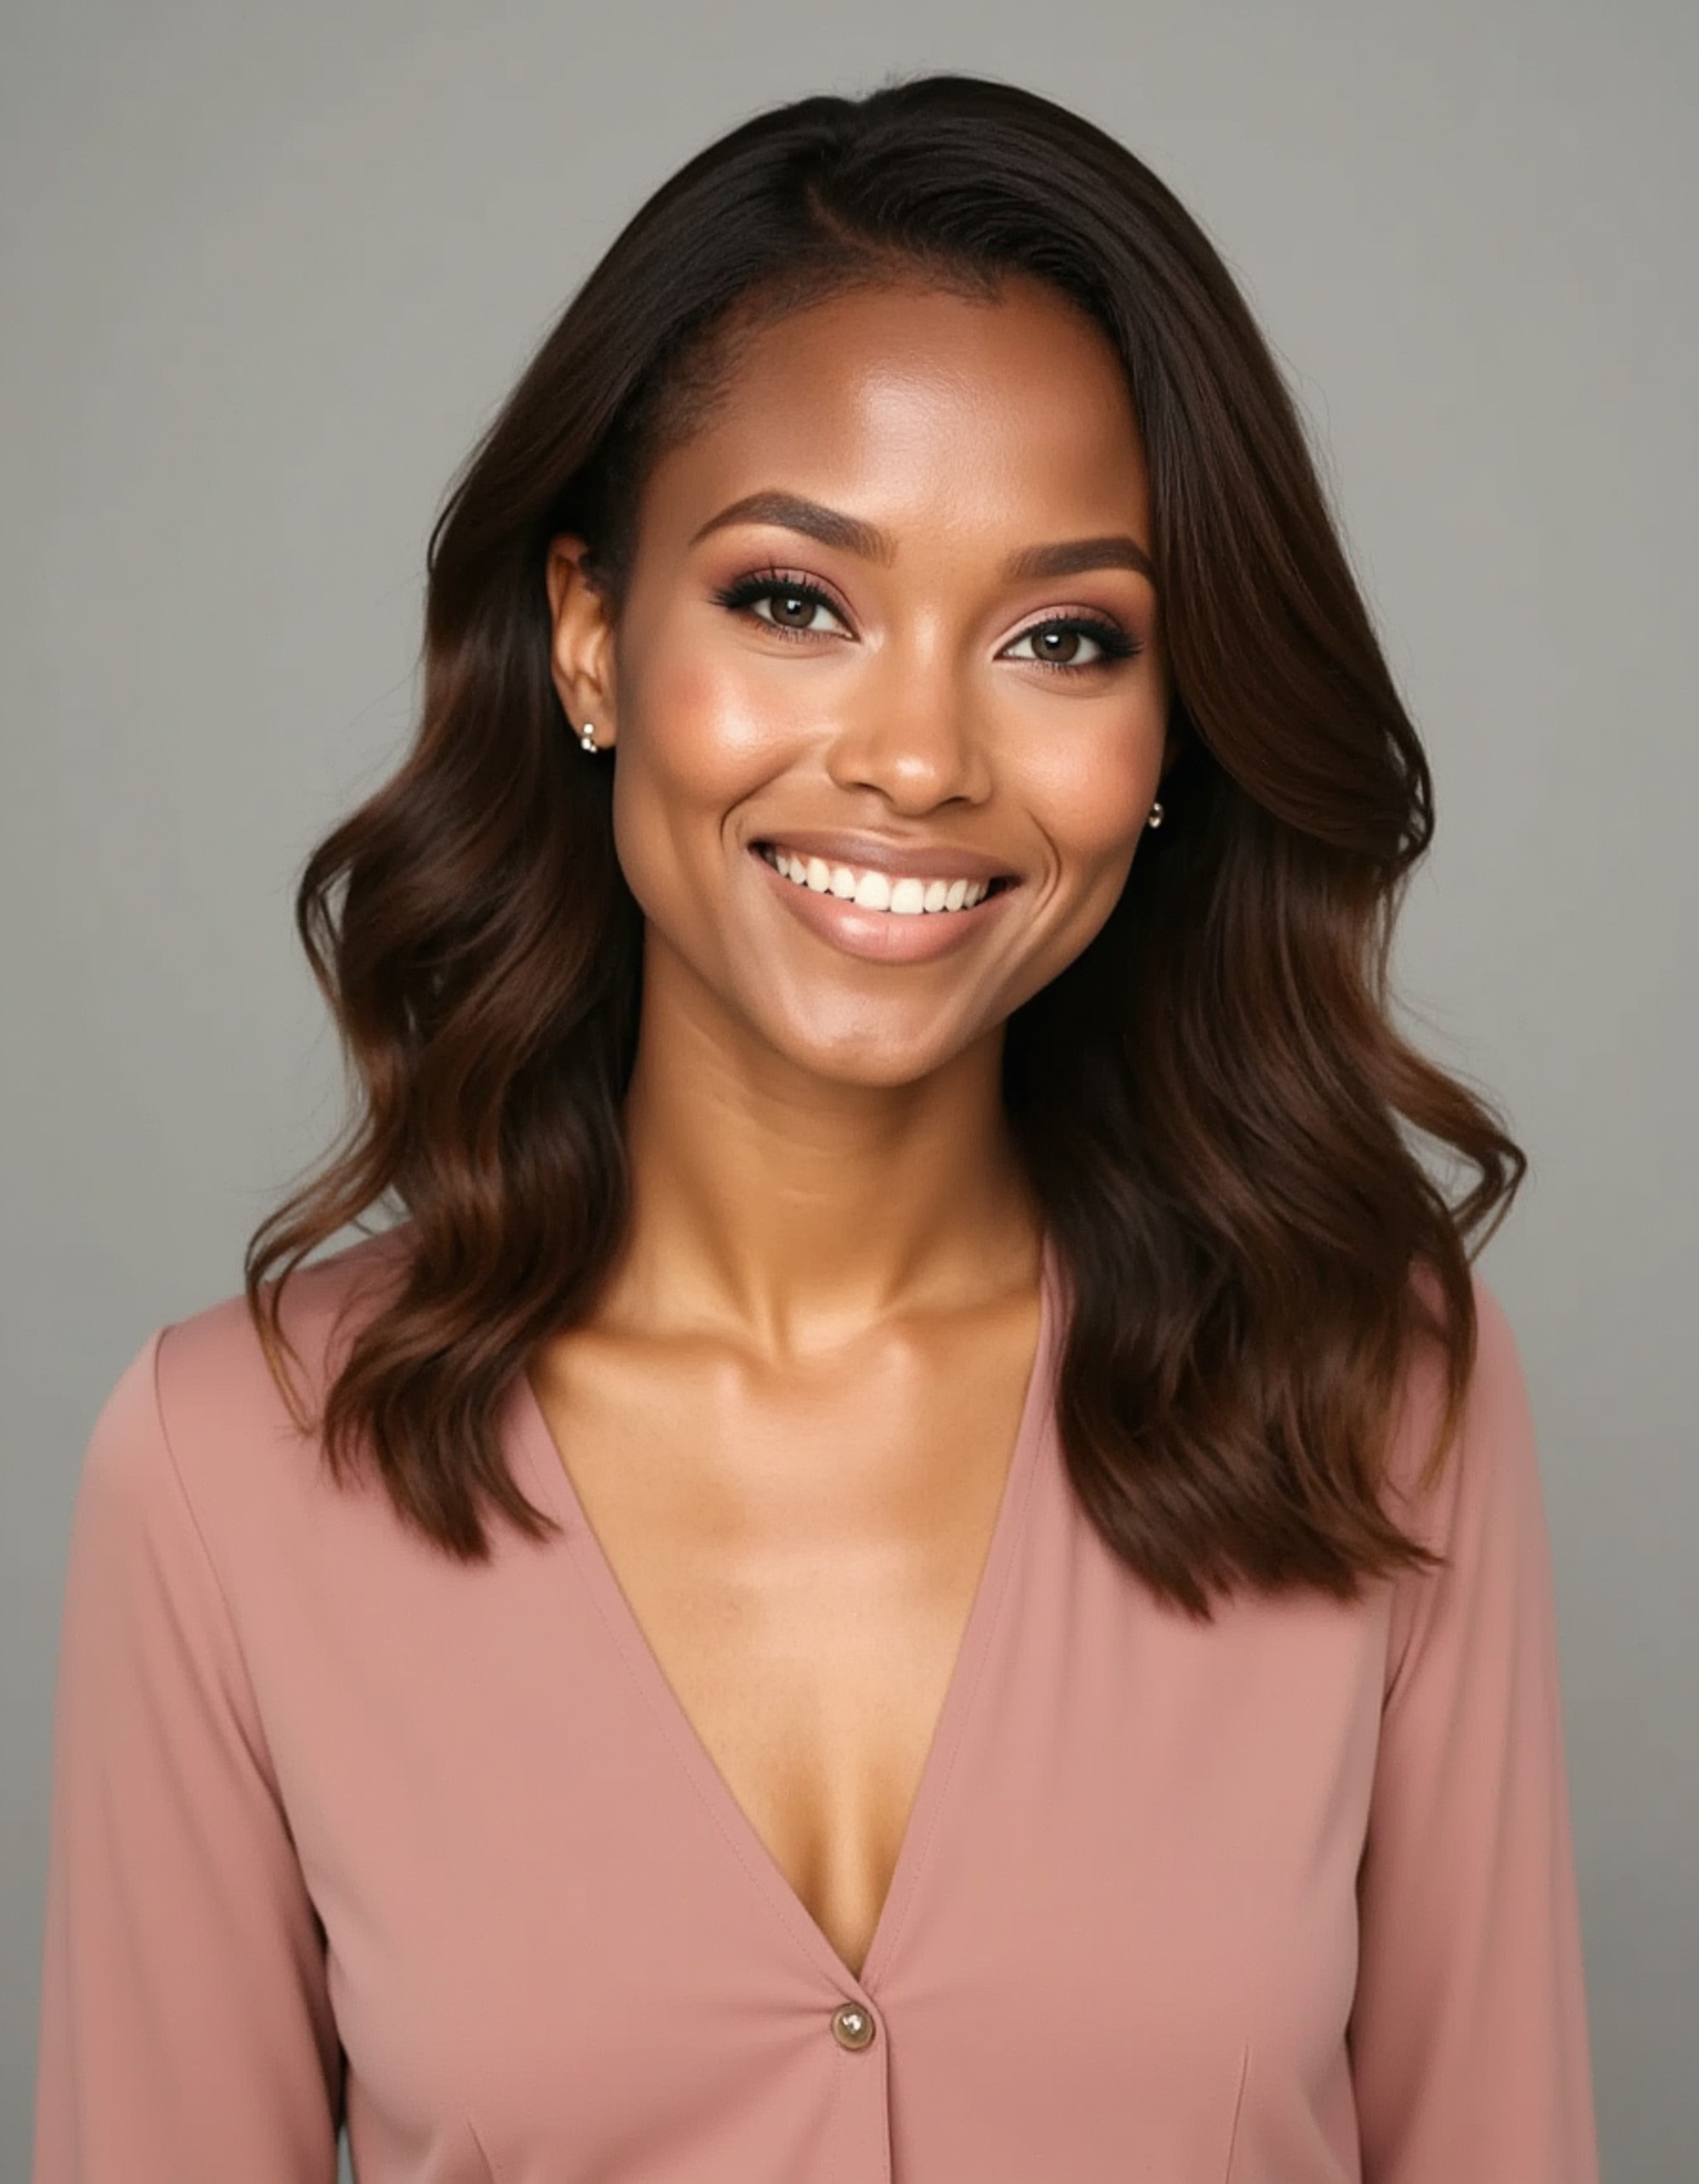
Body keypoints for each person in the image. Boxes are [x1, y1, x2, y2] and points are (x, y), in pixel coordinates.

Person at [32, 71, 1600, 2184]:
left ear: (1169, 732)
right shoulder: (229, 1479)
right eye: (794, 599)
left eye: (1062, 636)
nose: (920, 755)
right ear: (592, 637)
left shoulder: (1376, 1389)